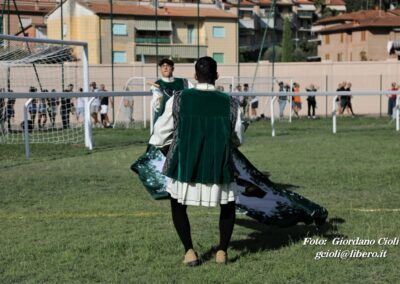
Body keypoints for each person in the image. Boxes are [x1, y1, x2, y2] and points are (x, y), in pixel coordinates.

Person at [149, 56, 244, 266]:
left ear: (195, 76)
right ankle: (222, 252)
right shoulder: (231, 103)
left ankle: (189, 252)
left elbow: (159, 133)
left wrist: (171, 147)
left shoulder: (179, 98)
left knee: (177, 204)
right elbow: (237, 138)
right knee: (228, 205)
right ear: (217, 76)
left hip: (185, 164)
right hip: (218, 164)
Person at [150, 58, 192, 125]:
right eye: (163, 66)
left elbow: (192, 95)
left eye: (168, 65)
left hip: (181, 119)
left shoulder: (184, 82)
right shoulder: (156, 84)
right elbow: (157, 106)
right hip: (164, 121)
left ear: (173, 69)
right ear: (160, 69)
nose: (165, 68)